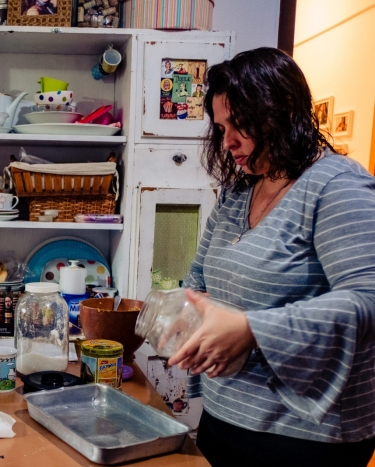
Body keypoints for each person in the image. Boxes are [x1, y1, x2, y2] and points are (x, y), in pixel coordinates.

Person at [166, 47, 375, 467]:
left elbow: (367, 299)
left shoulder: (338, 186)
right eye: (221, 127)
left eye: (240, 125)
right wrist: (179, 318)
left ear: (281, 113)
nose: (228, 142)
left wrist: (252, 328)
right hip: (225, 417)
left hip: (305, 437)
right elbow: (199, 282)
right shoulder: (238, 191)